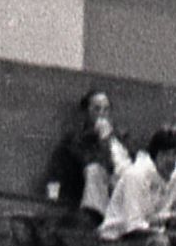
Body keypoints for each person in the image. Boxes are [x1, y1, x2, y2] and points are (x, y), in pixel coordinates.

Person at [39, 89, 128, 236]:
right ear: (86, 112)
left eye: (106, 109)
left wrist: (109, 141)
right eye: (97, 109)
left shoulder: (119, 137)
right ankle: (94, 218)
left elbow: (124, 166)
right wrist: (102, 140)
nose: (102, 114)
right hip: (87, 195)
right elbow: (91, 162)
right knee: (95, 170)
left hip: (117, 194)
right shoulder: (77, 138)